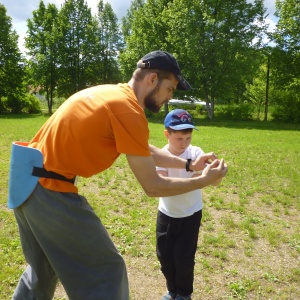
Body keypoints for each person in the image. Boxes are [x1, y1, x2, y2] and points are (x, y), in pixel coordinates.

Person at [7, 50, 228, 300]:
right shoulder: (128, 111)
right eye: (170, 88)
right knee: (106, 272)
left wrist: (189, 166)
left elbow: (141, 148)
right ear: (153, 79)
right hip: (48, 188)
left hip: (26, 179)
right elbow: (153, 186)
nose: (170, 97)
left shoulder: (113, 94)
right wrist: (204, 180)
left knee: (42, 271)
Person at [156, 109, 223, 300]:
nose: (184, 143)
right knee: (165, 257)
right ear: (167, 134)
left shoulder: (196, 153)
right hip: (167, 215)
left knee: (184, 258)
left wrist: (215, 174)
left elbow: (214, 182)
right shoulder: (161, 155)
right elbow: (162, 186)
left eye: (188, 137)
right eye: (179, 138)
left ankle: (184, 294)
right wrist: (197, 178)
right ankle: (172, 290)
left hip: (191, 215)